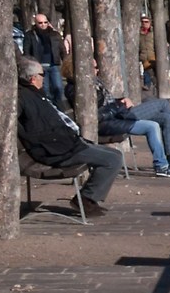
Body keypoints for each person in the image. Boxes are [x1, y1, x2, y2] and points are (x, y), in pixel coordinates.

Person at [17, 58, 123, 214]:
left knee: (113, 154)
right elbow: (36, 130)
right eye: (42, 74)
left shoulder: (37, 94)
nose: (44, 77)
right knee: (112, 159)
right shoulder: (24, 97)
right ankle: (86, 199)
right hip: (55, 150)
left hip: (65, 144)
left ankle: (88, 197)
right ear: (33, 78)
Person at [98, 92, 170, 178]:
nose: (97, 71)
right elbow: (102, 109)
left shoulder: (96, 82)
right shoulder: (89, 83)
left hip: (119, 113)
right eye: (96, 70)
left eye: (98, 70)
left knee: (167, 118)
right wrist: (120, 104)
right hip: (115, 118)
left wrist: (120, 100)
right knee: (162, 106)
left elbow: (107, 101)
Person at [28, 15, 64, 105]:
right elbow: (27, 52)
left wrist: (66, 62)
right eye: (40, 23)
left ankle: (59, 106)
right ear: (35, 23)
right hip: (39, 66)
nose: (43, 25)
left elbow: (62, 49)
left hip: (53, 65)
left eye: (45, 22)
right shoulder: (30, 35)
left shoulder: (54, 34)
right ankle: (50, 107)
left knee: (58, 87)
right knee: (45, 90)